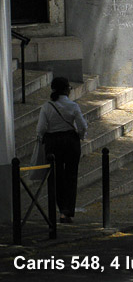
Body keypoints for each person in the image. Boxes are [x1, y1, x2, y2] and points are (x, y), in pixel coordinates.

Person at [36, 77, 88, 223]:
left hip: (53, 143)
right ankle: (68, 210)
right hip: (70, 142)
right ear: (67, 90)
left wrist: (42, 138)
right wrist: (81, 136)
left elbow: (40, 128)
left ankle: (60, 210)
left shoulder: (47, 106)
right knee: (71, 176)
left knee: (56, 177)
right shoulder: (73, 106)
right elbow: (82, 126)